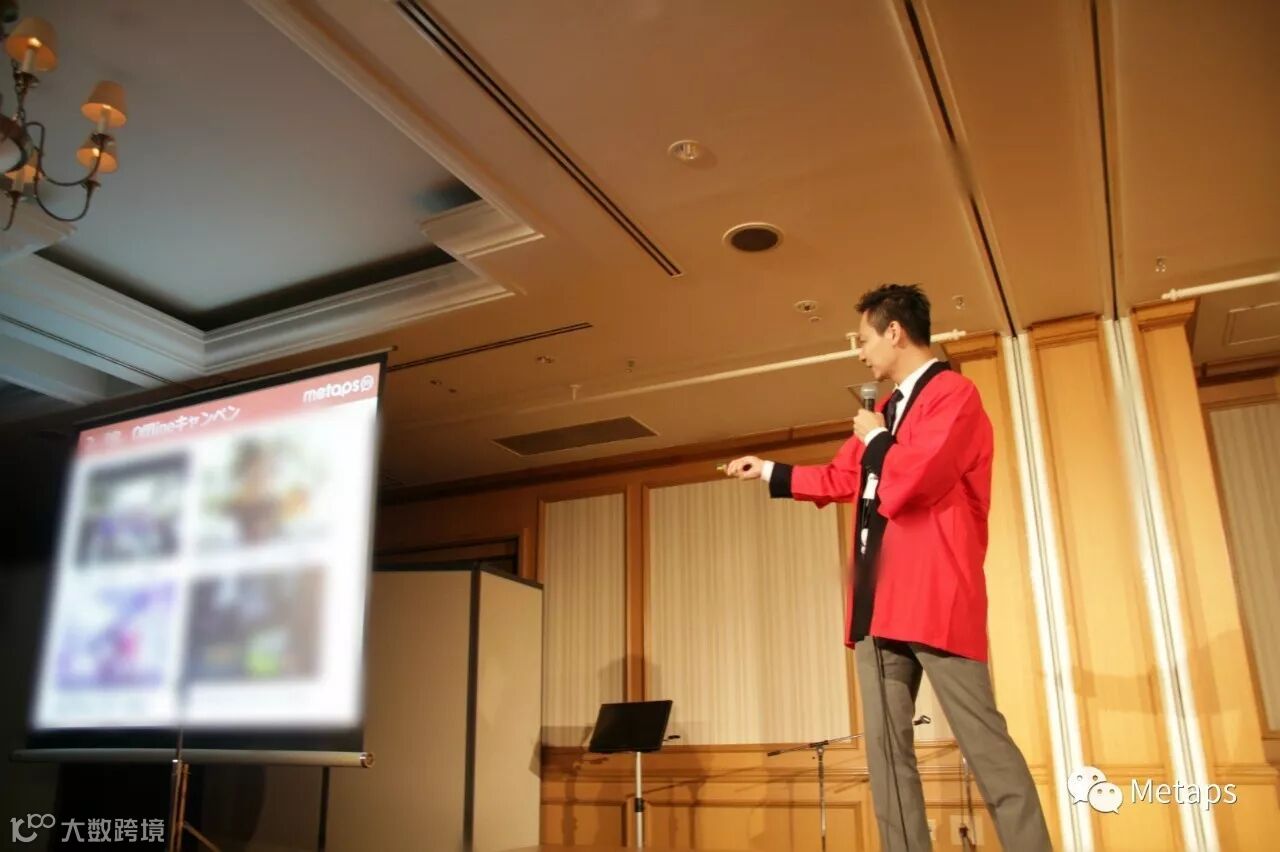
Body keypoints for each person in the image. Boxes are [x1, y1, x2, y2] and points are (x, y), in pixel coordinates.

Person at [725, 284, 1051, 851]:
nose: (859, 352)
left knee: (985, 746)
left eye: (863, 338)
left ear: (894, 332)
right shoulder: (883, 412)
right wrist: (770, 470)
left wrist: (876, 440)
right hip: (876, 601)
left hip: (935, 595)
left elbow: (919, 478)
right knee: (886, 755)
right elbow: (842, 477)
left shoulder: (953, 395)